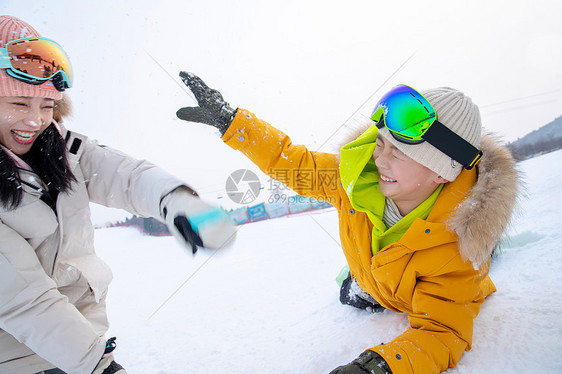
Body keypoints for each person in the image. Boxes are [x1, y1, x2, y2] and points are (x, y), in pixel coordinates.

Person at [175, 72, 520, 373]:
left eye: (398, 153)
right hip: (375, 281)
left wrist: (379, 366)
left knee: (443, 285)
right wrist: (232, 122)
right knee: (349, 292)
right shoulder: (354, 180)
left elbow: (441, 334)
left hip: (413, 295)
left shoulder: (454, 252)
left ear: (443, 173)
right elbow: (292, 163)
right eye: (381, 143)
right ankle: (361, 282)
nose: (379, 158)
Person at [0, 16, 236, 374]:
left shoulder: (61, 151)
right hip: (19, 360)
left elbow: (125, 176)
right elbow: (23, 300)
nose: (35, 121)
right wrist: (98, 366)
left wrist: (175, 201)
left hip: (82, 346)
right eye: (19, 104)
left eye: (47, 106)